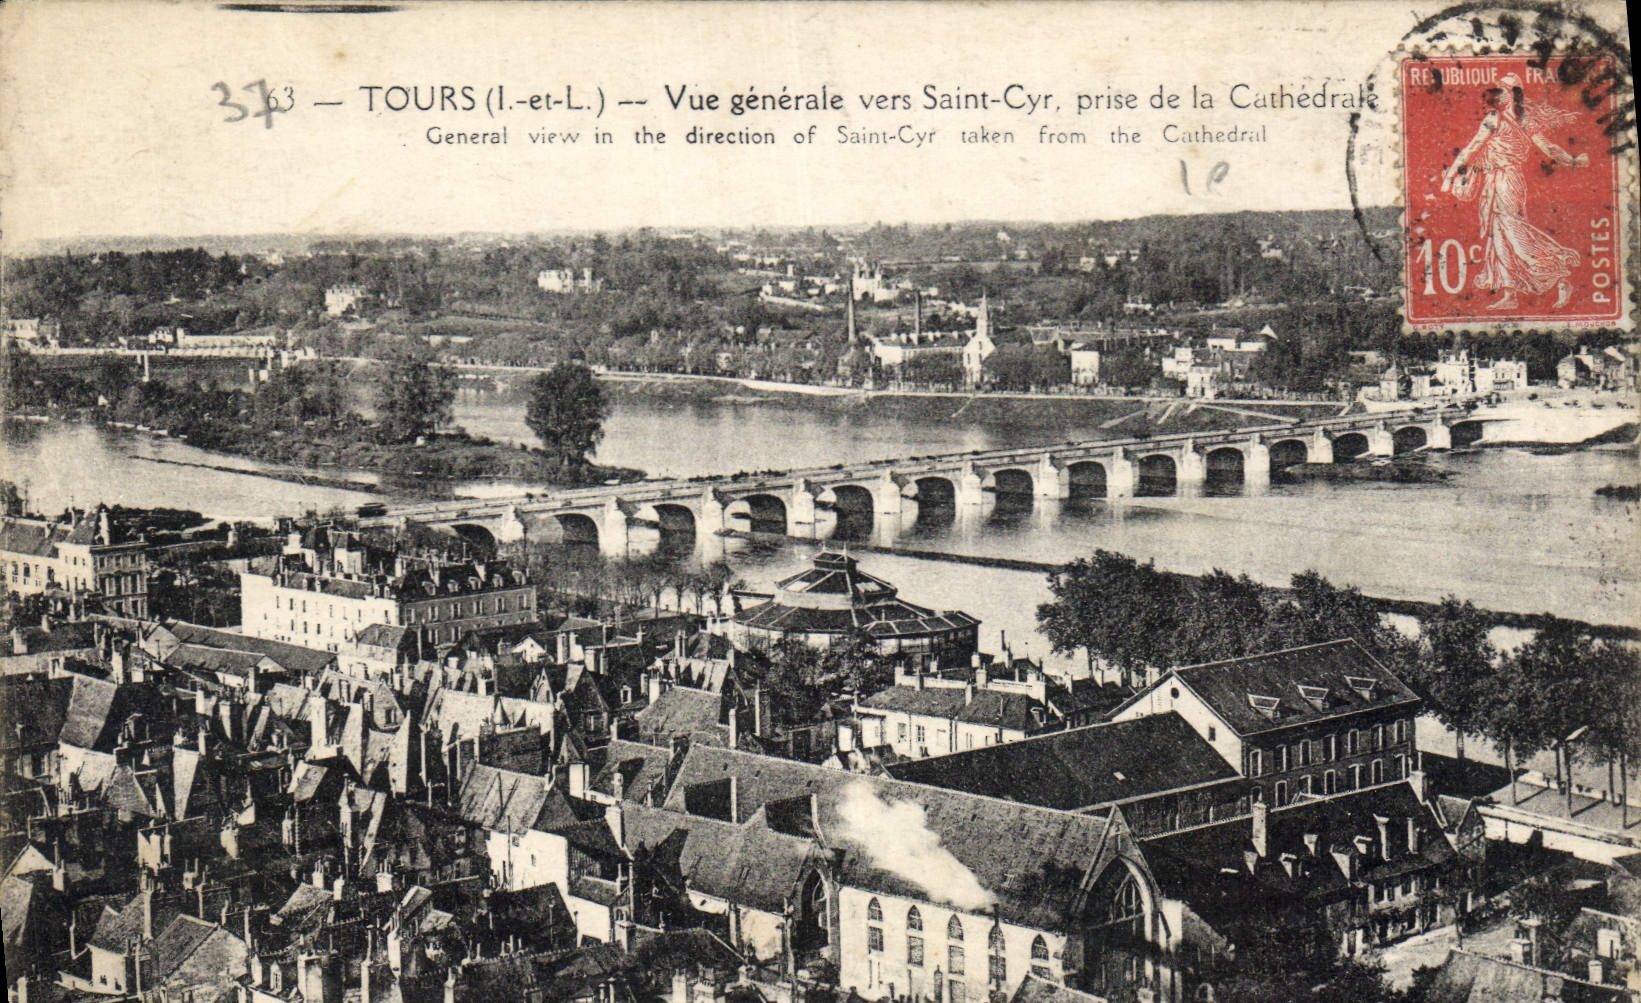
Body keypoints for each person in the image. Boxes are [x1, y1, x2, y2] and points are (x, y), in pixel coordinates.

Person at [1440, 73, 1589, 310]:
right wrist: (1451, 176)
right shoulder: (1499, 118)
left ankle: (1560, 275)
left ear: (1512, 94)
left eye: (1503, 89)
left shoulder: (1510, 119)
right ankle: (1510, 294)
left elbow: (1547, 147)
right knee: (1498, 237)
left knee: (1514, 234)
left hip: (1508, 180)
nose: (1499, 94)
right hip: (1494, 179)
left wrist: (1571, 161)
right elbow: (1472, 148)